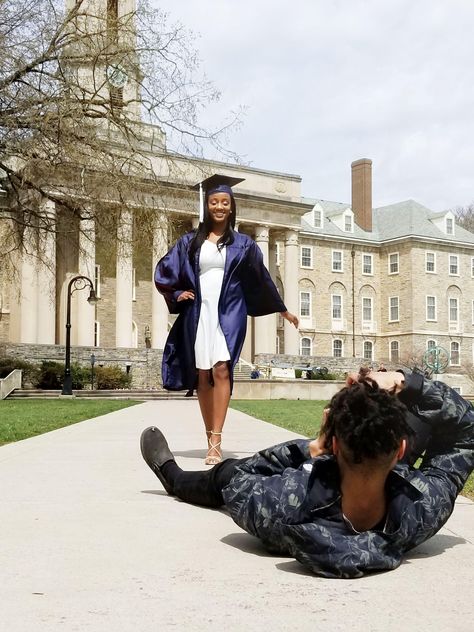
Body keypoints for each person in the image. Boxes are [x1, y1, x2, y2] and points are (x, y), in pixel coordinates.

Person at [140, 368, 474, 578]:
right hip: (380, 477)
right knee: (426, 416)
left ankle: (170, 474)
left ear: (335, 447)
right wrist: (406, 381)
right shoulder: (423, 507)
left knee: (223, 473)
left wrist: (312, 449)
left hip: (321, 478)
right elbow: (467, 431)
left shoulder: (282, 504)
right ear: (402, 450)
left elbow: (239, 479)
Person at [154, 174, 298, 465]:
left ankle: (217, 439)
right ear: (207, 207)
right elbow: (165, 271)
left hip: (229, 310)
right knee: (203, 375)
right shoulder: (190, 242)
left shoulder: (244, 244)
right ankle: (209, 437)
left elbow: (262, 277)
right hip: (200, 311)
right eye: (213, 202)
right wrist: (179, 292)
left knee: (222, 369)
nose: (219, 206)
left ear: (231, 207)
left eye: (224, 202)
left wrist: (281, 308)